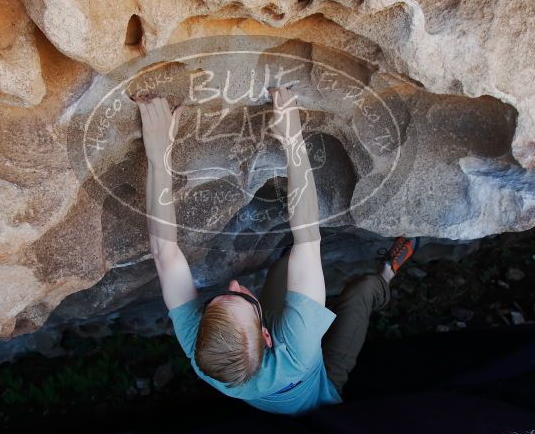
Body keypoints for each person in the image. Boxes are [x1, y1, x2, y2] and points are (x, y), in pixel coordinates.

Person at [134, 87, 418, 415]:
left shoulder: (203, 352)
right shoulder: (296, 342)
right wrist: (292, 138)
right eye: (241, 298)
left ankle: (308, 295)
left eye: (215, 303)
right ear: (268, 337)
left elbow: (164, 254)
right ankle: (387, 273)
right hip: (321, 385)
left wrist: (158, 157)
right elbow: (308, 239)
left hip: (280, 338)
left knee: (285, 265)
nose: (235, 286)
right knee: (361, 291)